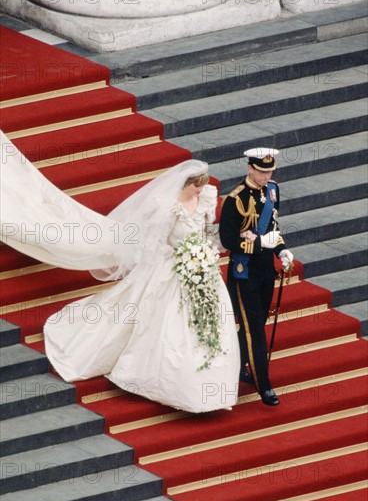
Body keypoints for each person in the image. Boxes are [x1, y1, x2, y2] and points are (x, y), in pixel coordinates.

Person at [0, 130, 240, 413]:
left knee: (208, 323)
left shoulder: (206, 200)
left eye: (202, 186)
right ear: (186, 185)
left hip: (201, 269)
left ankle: (208, 389)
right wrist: (183, 256)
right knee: (162, 326)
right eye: (196, 187)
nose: (201, 191)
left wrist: (208, 251)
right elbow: (155, 244)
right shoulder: (167, 209)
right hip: (172, 269)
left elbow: (206, 233)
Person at [219, 147, 293, 406]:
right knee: (255, 332)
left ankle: (239, 365)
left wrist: (282, 250)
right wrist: (261, 243)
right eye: (262, 171)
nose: (266, 175)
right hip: (244, 273)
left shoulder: (273, 189)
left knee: (256, 324)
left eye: (270, 171)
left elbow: (274, 225)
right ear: (249, 168)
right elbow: (227, 240)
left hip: (265, 271)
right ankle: (264, 385)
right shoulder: (235, 199)